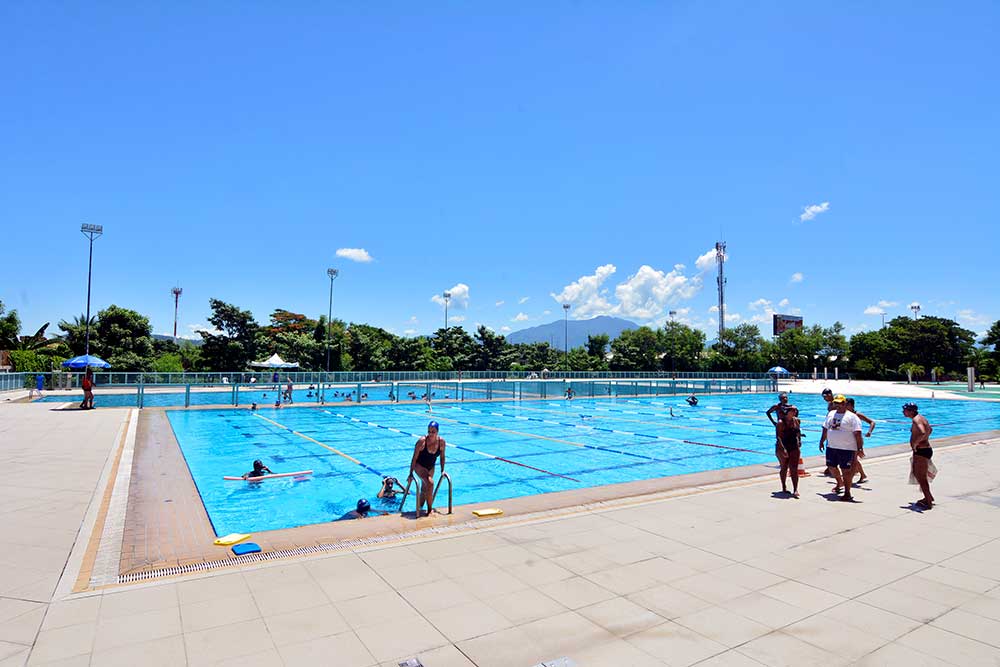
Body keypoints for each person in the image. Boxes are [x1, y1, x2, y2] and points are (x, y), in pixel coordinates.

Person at [818, 394, 864, 501]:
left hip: (847, 449)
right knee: (831, 467)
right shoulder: (831, 414)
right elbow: (825, 428)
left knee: (846, 471)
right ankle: (839, 482)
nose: (838, 405)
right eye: (836, 403)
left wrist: (860, 448)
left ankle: (847, 492)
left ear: (844, 404)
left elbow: (858, 433)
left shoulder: (852, 417)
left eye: (840, 403)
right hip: (831, 447)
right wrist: (821, 441)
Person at [408, 421, 447, 517]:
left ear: (437, 432)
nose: (430, 434)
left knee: (425, 489)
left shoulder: (441, 442)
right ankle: (429, 510)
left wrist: (442, 470)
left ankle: (420, 507)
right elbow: (414, 458)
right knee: (430, 483)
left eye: (433, 432)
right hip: (419, 466)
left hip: (431, 467)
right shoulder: (422, 441)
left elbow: (442, 457)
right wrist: (411, 474)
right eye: (429, 431)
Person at [904, 402, 934, 508]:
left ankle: (928, 501)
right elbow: (930, 430)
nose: (903, 411)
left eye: (905, 410)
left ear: (911, 411)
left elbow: (922, 432)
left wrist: (916, 443)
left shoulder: (916, 420)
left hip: (921, 451)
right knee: (919, 475)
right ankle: (928, 496)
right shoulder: (921, 418)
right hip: (924, 450)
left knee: (921, 477)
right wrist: (924, 439)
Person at [845, 398, 875, 483]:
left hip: (856, 440)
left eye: (846, 404)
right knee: (851, 459)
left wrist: (869, 432)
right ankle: (859, 473)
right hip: (848, 440)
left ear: (851, 405)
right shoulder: (845, 414)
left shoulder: (857, 415)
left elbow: (872, 422)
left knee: (853, 459)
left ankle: (862, 474)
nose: (844, 406)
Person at [777, 406, 802, 497]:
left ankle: (795, 489)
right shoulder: (780, 423)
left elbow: (798, 432)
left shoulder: (796, 421)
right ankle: (784, 486)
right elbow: (779, 437)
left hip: (794, 446)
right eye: (792, 411)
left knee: (794, 469)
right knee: (784, 467)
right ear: (787, 412)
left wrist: (799, 441)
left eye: (795, 411)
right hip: (782, 447)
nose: (794, 412)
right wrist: (783, 449)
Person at [766, 392, 794, 467]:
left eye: (786, 397)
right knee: (780, 444)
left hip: (789, 428)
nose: (785, 399)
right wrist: (774, 422)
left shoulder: (791, 407)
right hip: (780, 428)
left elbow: (795, 417)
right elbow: (768, 412)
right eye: (783, 398)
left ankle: (788, 461)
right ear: (780, 399)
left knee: (789, 444)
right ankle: (782, 461)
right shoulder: (777, 407)